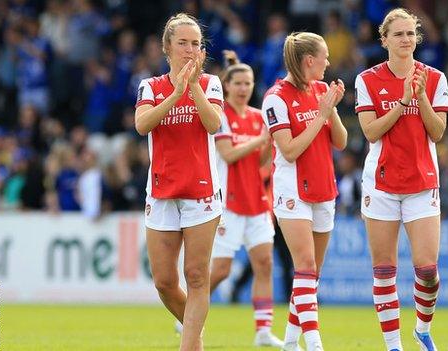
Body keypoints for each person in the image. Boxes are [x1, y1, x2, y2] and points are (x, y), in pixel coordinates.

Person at [354, 8, 448, 351]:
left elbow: (437, 132)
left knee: (428, 271)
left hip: (422, 184)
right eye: (398, 34)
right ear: (384, 40)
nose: (406, 40)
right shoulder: (367, 80)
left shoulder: (435, 78)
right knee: (384, 270)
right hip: (381, 184)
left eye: (411, 34)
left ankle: (422, 329)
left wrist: (420, 95)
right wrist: (402, 101)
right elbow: (370, 131)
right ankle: (393, 345)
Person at [134, 13, 223, 351]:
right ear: (167, 48)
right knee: (164, 282)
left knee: (197, 277)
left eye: (196, 44)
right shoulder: (151, 86)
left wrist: (194, 87)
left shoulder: (211, 83)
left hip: (201, 192)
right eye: (183, 43)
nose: (190, 50)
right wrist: (175, 94)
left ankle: (188, 347)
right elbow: (142, 126)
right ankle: (195, 336)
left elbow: (213, 124)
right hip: (161, 191)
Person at [261, 31, 347, 351]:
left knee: (310, 276)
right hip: (292, 190)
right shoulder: (276, 98)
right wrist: (321, 114)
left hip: (324, 187)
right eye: (324, 57)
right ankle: (314, 344)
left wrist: (332, 108)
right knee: (306, 267)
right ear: (309, 60)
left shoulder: (321, 89)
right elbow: (289, 150)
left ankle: (289, 342)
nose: (327, 63)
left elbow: (341, 141)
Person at [209, 52, 284, 347]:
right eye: (238, 83)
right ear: (226, 86)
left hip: (257, 201)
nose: (243, 88)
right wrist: (259, 140)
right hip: (228, 203)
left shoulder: (257, 117)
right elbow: (228, 154)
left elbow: (263, 161)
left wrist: (269, 142)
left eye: (248, 83)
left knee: (264, 263)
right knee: (220, 271)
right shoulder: (220, 116)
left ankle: (263, 331)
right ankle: (185, 311)